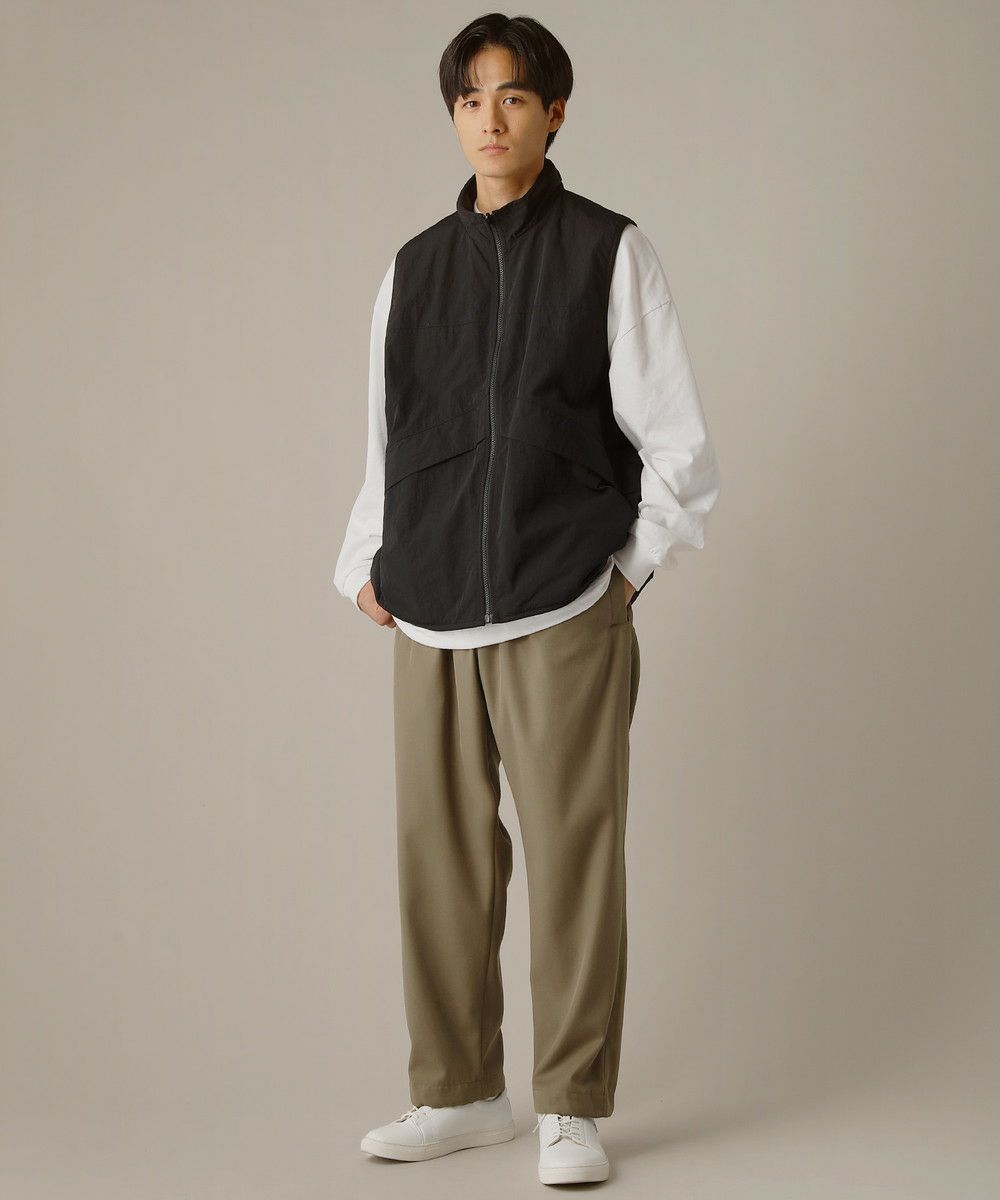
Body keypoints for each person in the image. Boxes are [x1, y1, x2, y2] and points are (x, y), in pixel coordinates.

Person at [334, 12, 721, 1186]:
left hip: (564, 598)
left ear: (554, 112)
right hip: (430, 603)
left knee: (572, 855)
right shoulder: (413, 267)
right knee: (438, 859)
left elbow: (676, 442)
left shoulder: (609, 250)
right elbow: (391, 435)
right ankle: (458, 1092)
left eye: (512, 97)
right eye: (469, 99)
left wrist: (626, 572)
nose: (489, 119)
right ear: (452, 115)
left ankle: (570, 1104)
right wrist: (364, 562)